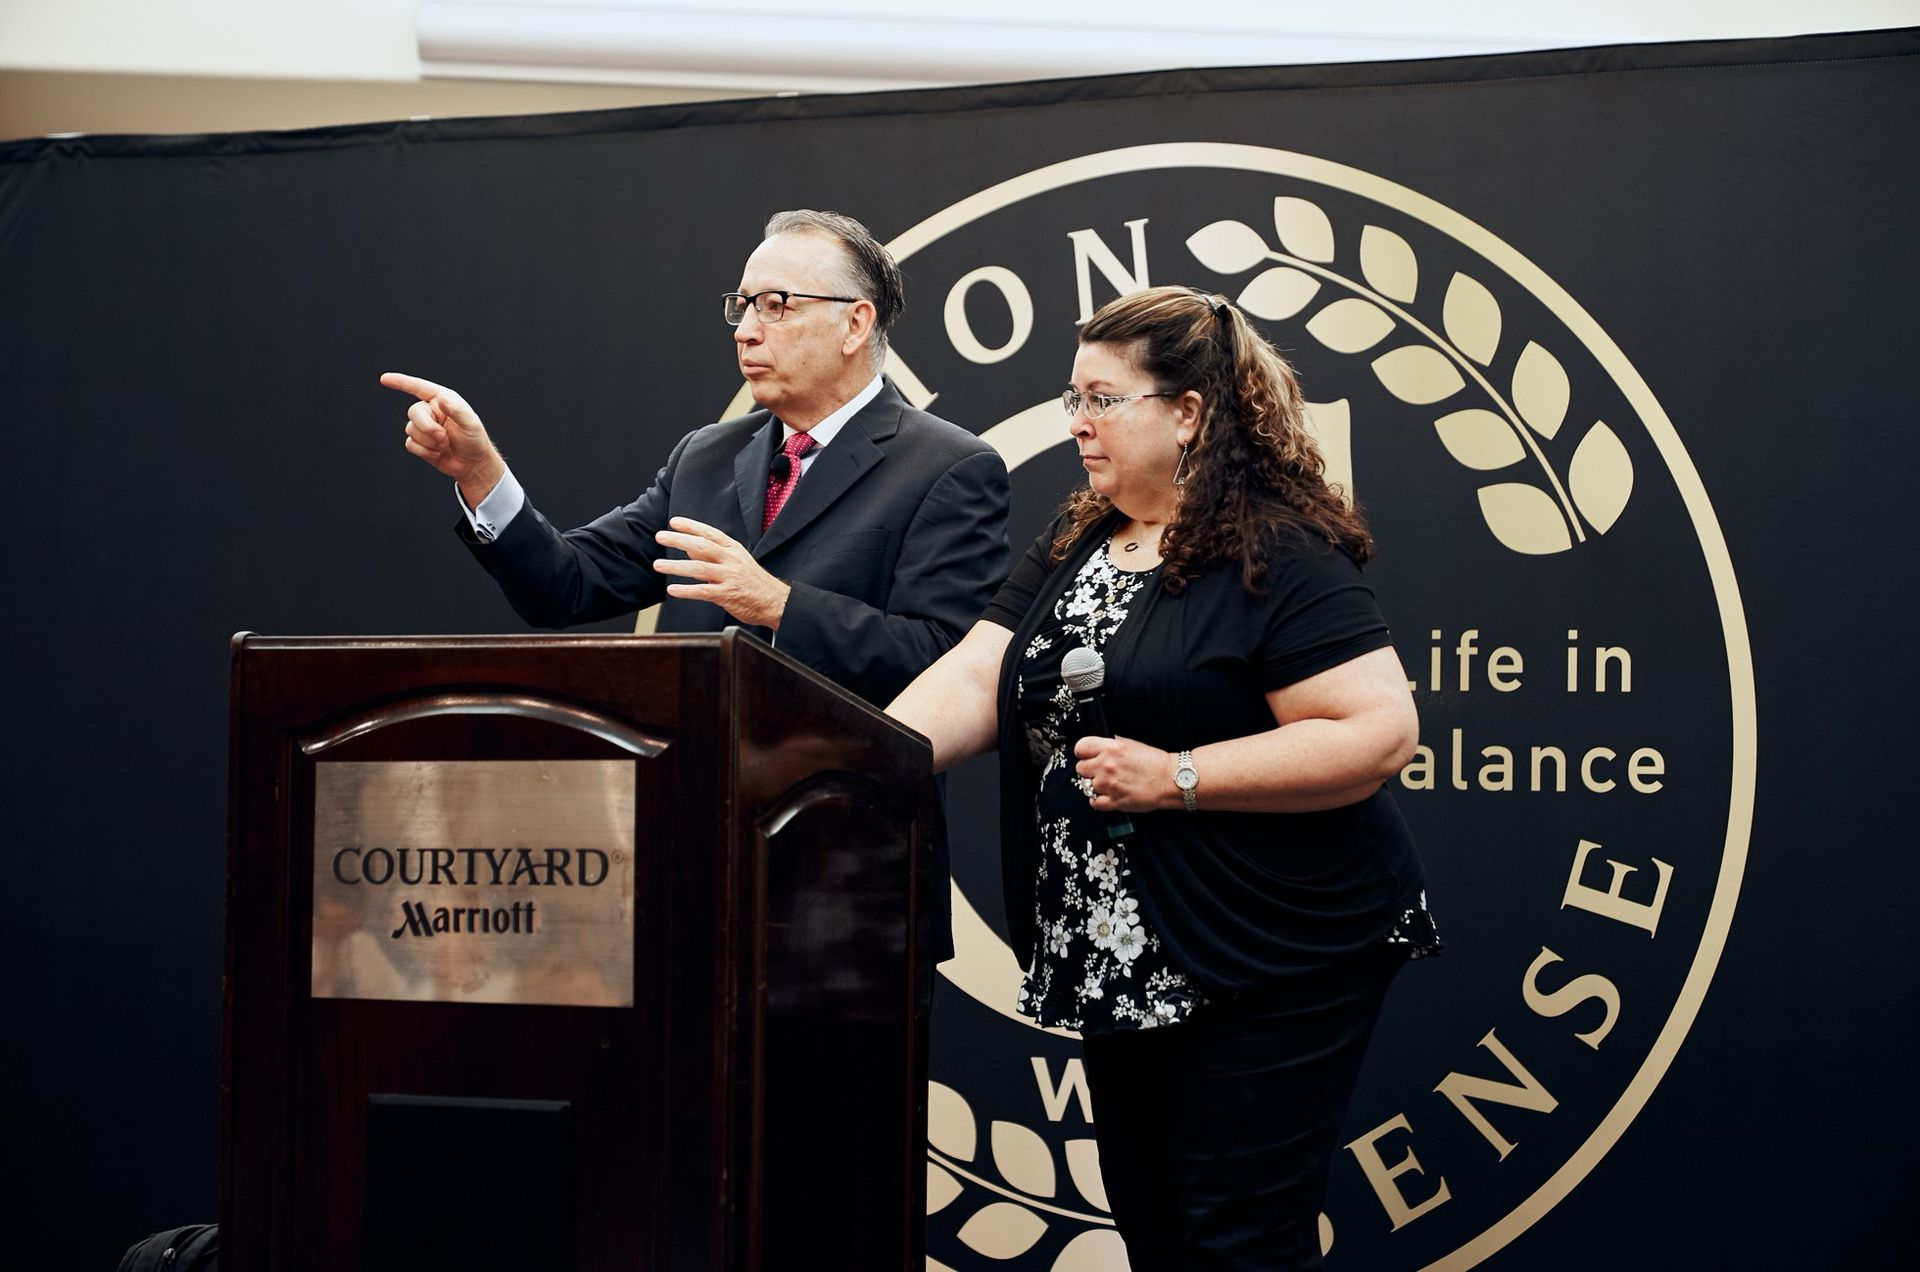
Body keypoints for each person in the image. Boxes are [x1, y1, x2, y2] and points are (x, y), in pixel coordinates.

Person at [887, 285, 1438, 1268]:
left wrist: (1180, 775)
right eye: (1071, 400)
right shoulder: (1079, 538)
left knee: (1236, 1240)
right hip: (1121, 954)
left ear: (1187, 414)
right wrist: (855, 759)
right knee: (1157, 1231)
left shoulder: (1279, 550)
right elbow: (980, 670)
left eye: (1102, 400)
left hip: (1271, 950)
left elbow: (1378, 731)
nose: (1078, 425)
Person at [382, 208, 1011, 710]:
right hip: (694, 805)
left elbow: (947, 663)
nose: (746, 330)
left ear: (854, 324)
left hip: (848, 823)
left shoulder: (947, 467)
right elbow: (565, 585)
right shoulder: (708, 455)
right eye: (743, 305)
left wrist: (779, 604)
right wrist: (481, 474)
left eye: (777, 305)